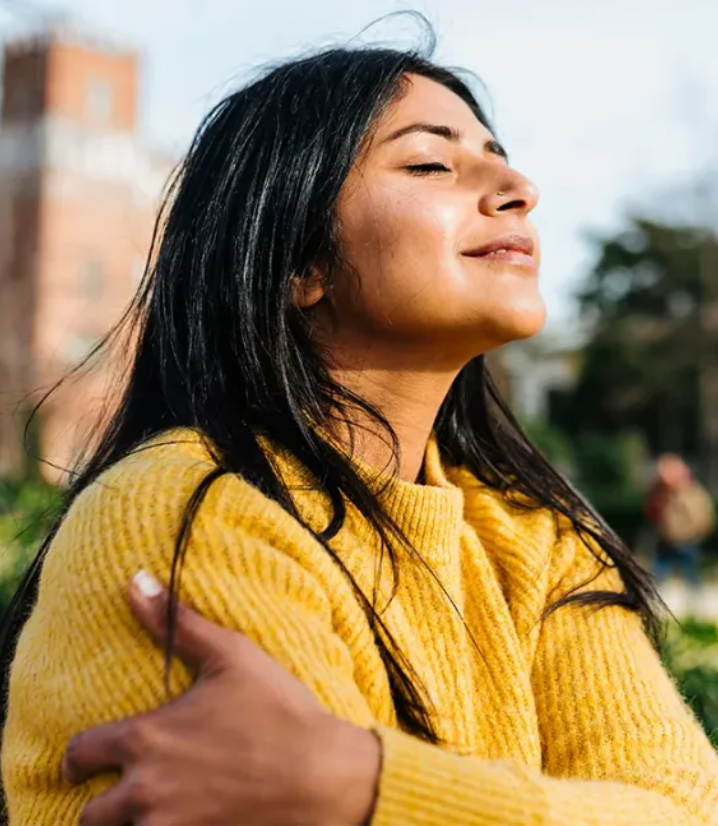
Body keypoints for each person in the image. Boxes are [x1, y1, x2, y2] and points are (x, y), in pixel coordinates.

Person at [2, 40, 718, 826]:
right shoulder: (185, 514)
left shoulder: (542, 542)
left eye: (500, 159)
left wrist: (370, 787)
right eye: (430, 166)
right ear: (297, 262)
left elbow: (685, 804)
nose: (519, 189)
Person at [644, 453, 715, 590]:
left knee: (689, 569)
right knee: (662, 567)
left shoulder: (689, 494)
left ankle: (695, 594)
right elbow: (653, 512)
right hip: (670, 539)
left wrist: (690, 534)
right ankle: (653, 591)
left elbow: (699, 517)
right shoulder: (664, 494)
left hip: (685, 539)